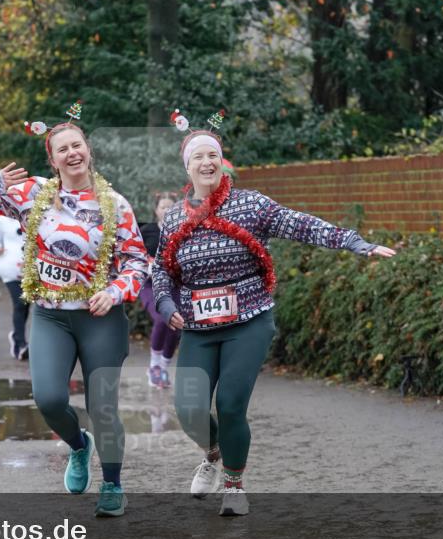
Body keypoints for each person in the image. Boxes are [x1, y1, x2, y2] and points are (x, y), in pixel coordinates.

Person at [153, 111, 397, 517]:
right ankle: (213, 454)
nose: (207, 163)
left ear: (222, 161)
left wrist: (355, 242)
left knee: (230, 404)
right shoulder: (177, 216)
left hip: (248, 320)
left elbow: (300, 224)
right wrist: (165, 304)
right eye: (198, 157)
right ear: (188, 167)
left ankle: (234, 484)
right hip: (197, 326)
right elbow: (161, 268)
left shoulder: (251, 205)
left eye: (213, 155)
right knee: (190, 410)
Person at [0, 104, 149, 516]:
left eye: (77, 145)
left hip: (99, 317)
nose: (72, 153)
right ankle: (77, 445)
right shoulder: (34, 193)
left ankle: (112, 483)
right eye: (62, 149)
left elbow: (138, 262)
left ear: (88, 150)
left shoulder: (115, 205)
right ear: (51, 160)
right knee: (50, 399)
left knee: (102, 406)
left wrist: (116, 292)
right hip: (51, 314)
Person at [137, 191, 180, 388]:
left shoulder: (182, 231)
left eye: (171, 207)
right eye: (163, 207)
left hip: (174, 286)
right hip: (150, 285)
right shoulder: (146, 231)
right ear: (156, 210)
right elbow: (134, 255)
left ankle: (163, 367)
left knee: (176, 325)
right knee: (163, 318)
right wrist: (148, 266)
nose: (167, 211)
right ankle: (154, 365)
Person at [0, 208, 29, 360]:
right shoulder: (2, 220)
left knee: (26, 305)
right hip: (10, 269)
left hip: (30, 271)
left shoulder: (35, 214)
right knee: (20, 303)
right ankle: (21, 343)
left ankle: (16, 335)